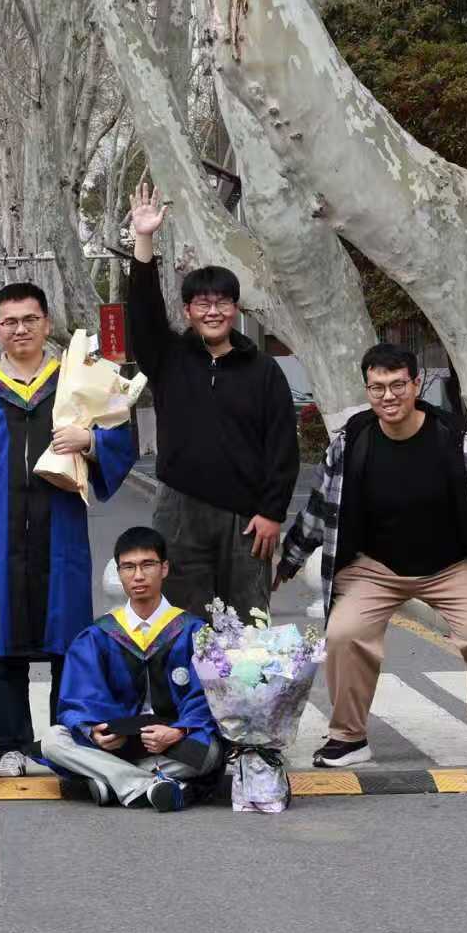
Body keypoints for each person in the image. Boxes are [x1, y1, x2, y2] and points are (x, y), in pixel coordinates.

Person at [279, 344, 467, 769]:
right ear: (367, 390)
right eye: (377, 387)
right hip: (374, 567)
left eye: (397, 385)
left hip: (449, 566)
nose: (388, 396)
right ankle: (348, 737)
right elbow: (318, 509)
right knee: (344, 634)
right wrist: (290, 558)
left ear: (416, 384)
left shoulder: (458, 442)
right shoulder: (349, 445)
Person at [0, 281, 137, 779]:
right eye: (10, 321)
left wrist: (89, 441)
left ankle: (65, 738)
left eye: (30, 319)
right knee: (7, 643)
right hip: (1, 536)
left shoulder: (74, 383)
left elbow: (119, 436)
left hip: (61, 527)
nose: (20, 329)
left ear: (47, 323)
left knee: (67, 638)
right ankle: (14, 744)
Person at [125, 180, 297, 622]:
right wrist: (143, 240)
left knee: (248, 624)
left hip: (247, 517)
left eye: (223, 302)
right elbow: (143, 315)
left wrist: (272, 512)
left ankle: (249, 675)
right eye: (202, 303)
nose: (213, 311)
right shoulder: (168, 358)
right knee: (182, 624)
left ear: (236, 309)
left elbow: (282, 447)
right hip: (179, 510)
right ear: (187, 311)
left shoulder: (263, 370)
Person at [41, 527, 221, 811]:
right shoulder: (98, 635)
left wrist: (178, 732)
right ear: (119, 572)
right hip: (117, 745)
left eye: (147, 565)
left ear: (164, 568)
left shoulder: (193, 631)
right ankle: (150, 785)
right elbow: (80, 698)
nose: (138, 576)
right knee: (53, 741)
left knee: (209, 751)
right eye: (128, 567)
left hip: (171, 743)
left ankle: (110, 780)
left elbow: (209, 698)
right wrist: (95, 731)